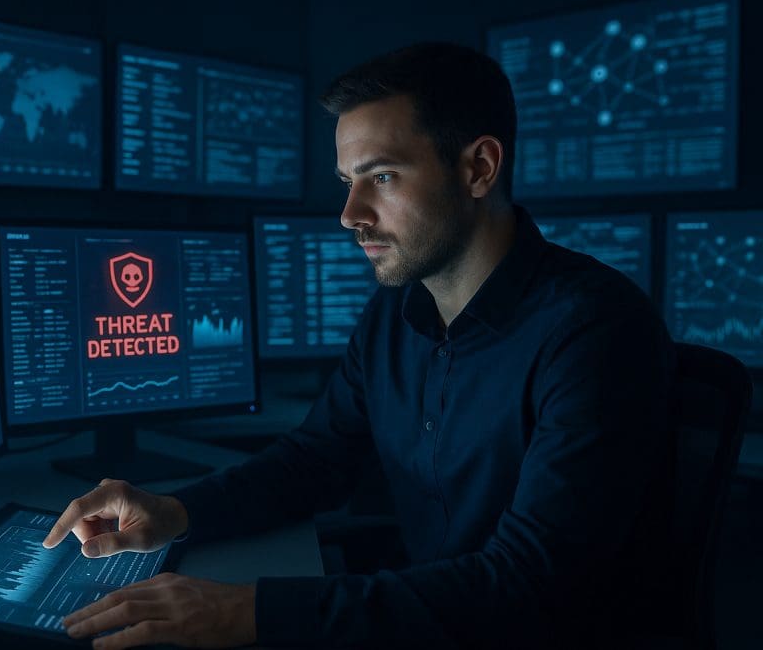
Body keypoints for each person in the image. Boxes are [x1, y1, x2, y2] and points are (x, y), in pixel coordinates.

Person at [42, 42, 676, 649]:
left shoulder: (596, 331)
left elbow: (528, 585)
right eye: (348, 181)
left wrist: (247, 611)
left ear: (479, 168)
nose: (350, 214)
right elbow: (314, 461)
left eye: (383, 176)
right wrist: (175, 511)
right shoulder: (394, 314)